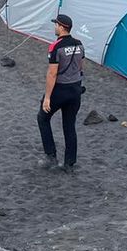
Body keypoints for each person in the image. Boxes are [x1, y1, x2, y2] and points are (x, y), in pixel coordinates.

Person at [37, 13, 84, 172]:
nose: (55, 27)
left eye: (56, 24)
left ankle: (51, 155)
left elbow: (52, 74)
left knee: (43, 118)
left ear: (62, 27)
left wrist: (47, 98)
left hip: (60, 90)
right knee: (69, 126)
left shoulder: (56, 47)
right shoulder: (79, 45)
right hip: (75, 90)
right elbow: (80, 67)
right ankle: (69, 163)